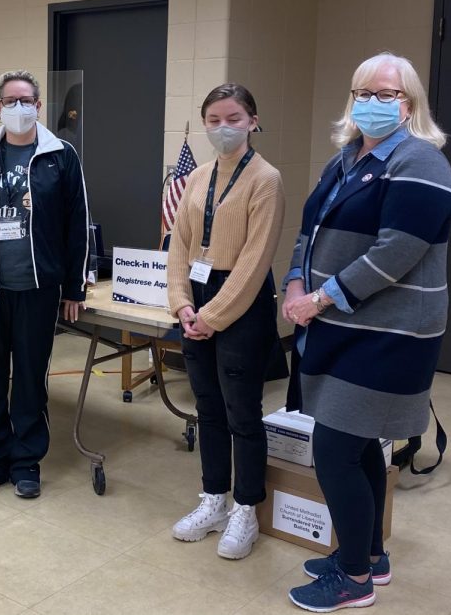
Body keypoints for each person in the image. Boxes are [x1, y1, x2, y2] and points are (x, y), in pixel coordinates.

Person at [282, 53, 451, 612]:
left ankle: (352, 577)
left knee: (334, 448)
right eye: (364, 91)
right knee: (358, 449)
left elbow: (398, 251)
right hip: (339, 322)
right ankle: (371, 555)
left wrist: (321, 297)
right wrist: (292, 284)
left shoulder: (421, 161)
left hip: (389, 332)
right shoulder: (345, 160)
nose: (373, 102)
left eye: (387, 93)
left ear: (410, 104)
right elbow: (310, 232)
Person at [0, 70, 89, 498]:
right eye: (9, 101)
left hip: (38, 290)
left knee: (31, 376)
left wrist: (74, 288)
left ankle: (27, 458)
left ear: (39, 106)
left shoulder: (60, 156)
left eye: (26, 100)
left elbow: (76, 226)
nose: (18, 108)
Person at [167, 83, 285, 559]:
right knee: (208, 407)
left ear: (252, 120)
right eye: (213, 120)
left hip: (242, 302)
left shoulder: (266, 179)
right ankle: (213, 499)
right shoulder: (196, 178)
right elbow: (178, 246)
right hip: (196, 299)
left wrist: (212, 316)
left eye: (233, 118)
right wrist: (182, 305)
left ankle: (245, 508)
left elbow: (255, 260)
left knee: (242, 413)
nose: (223, 128)